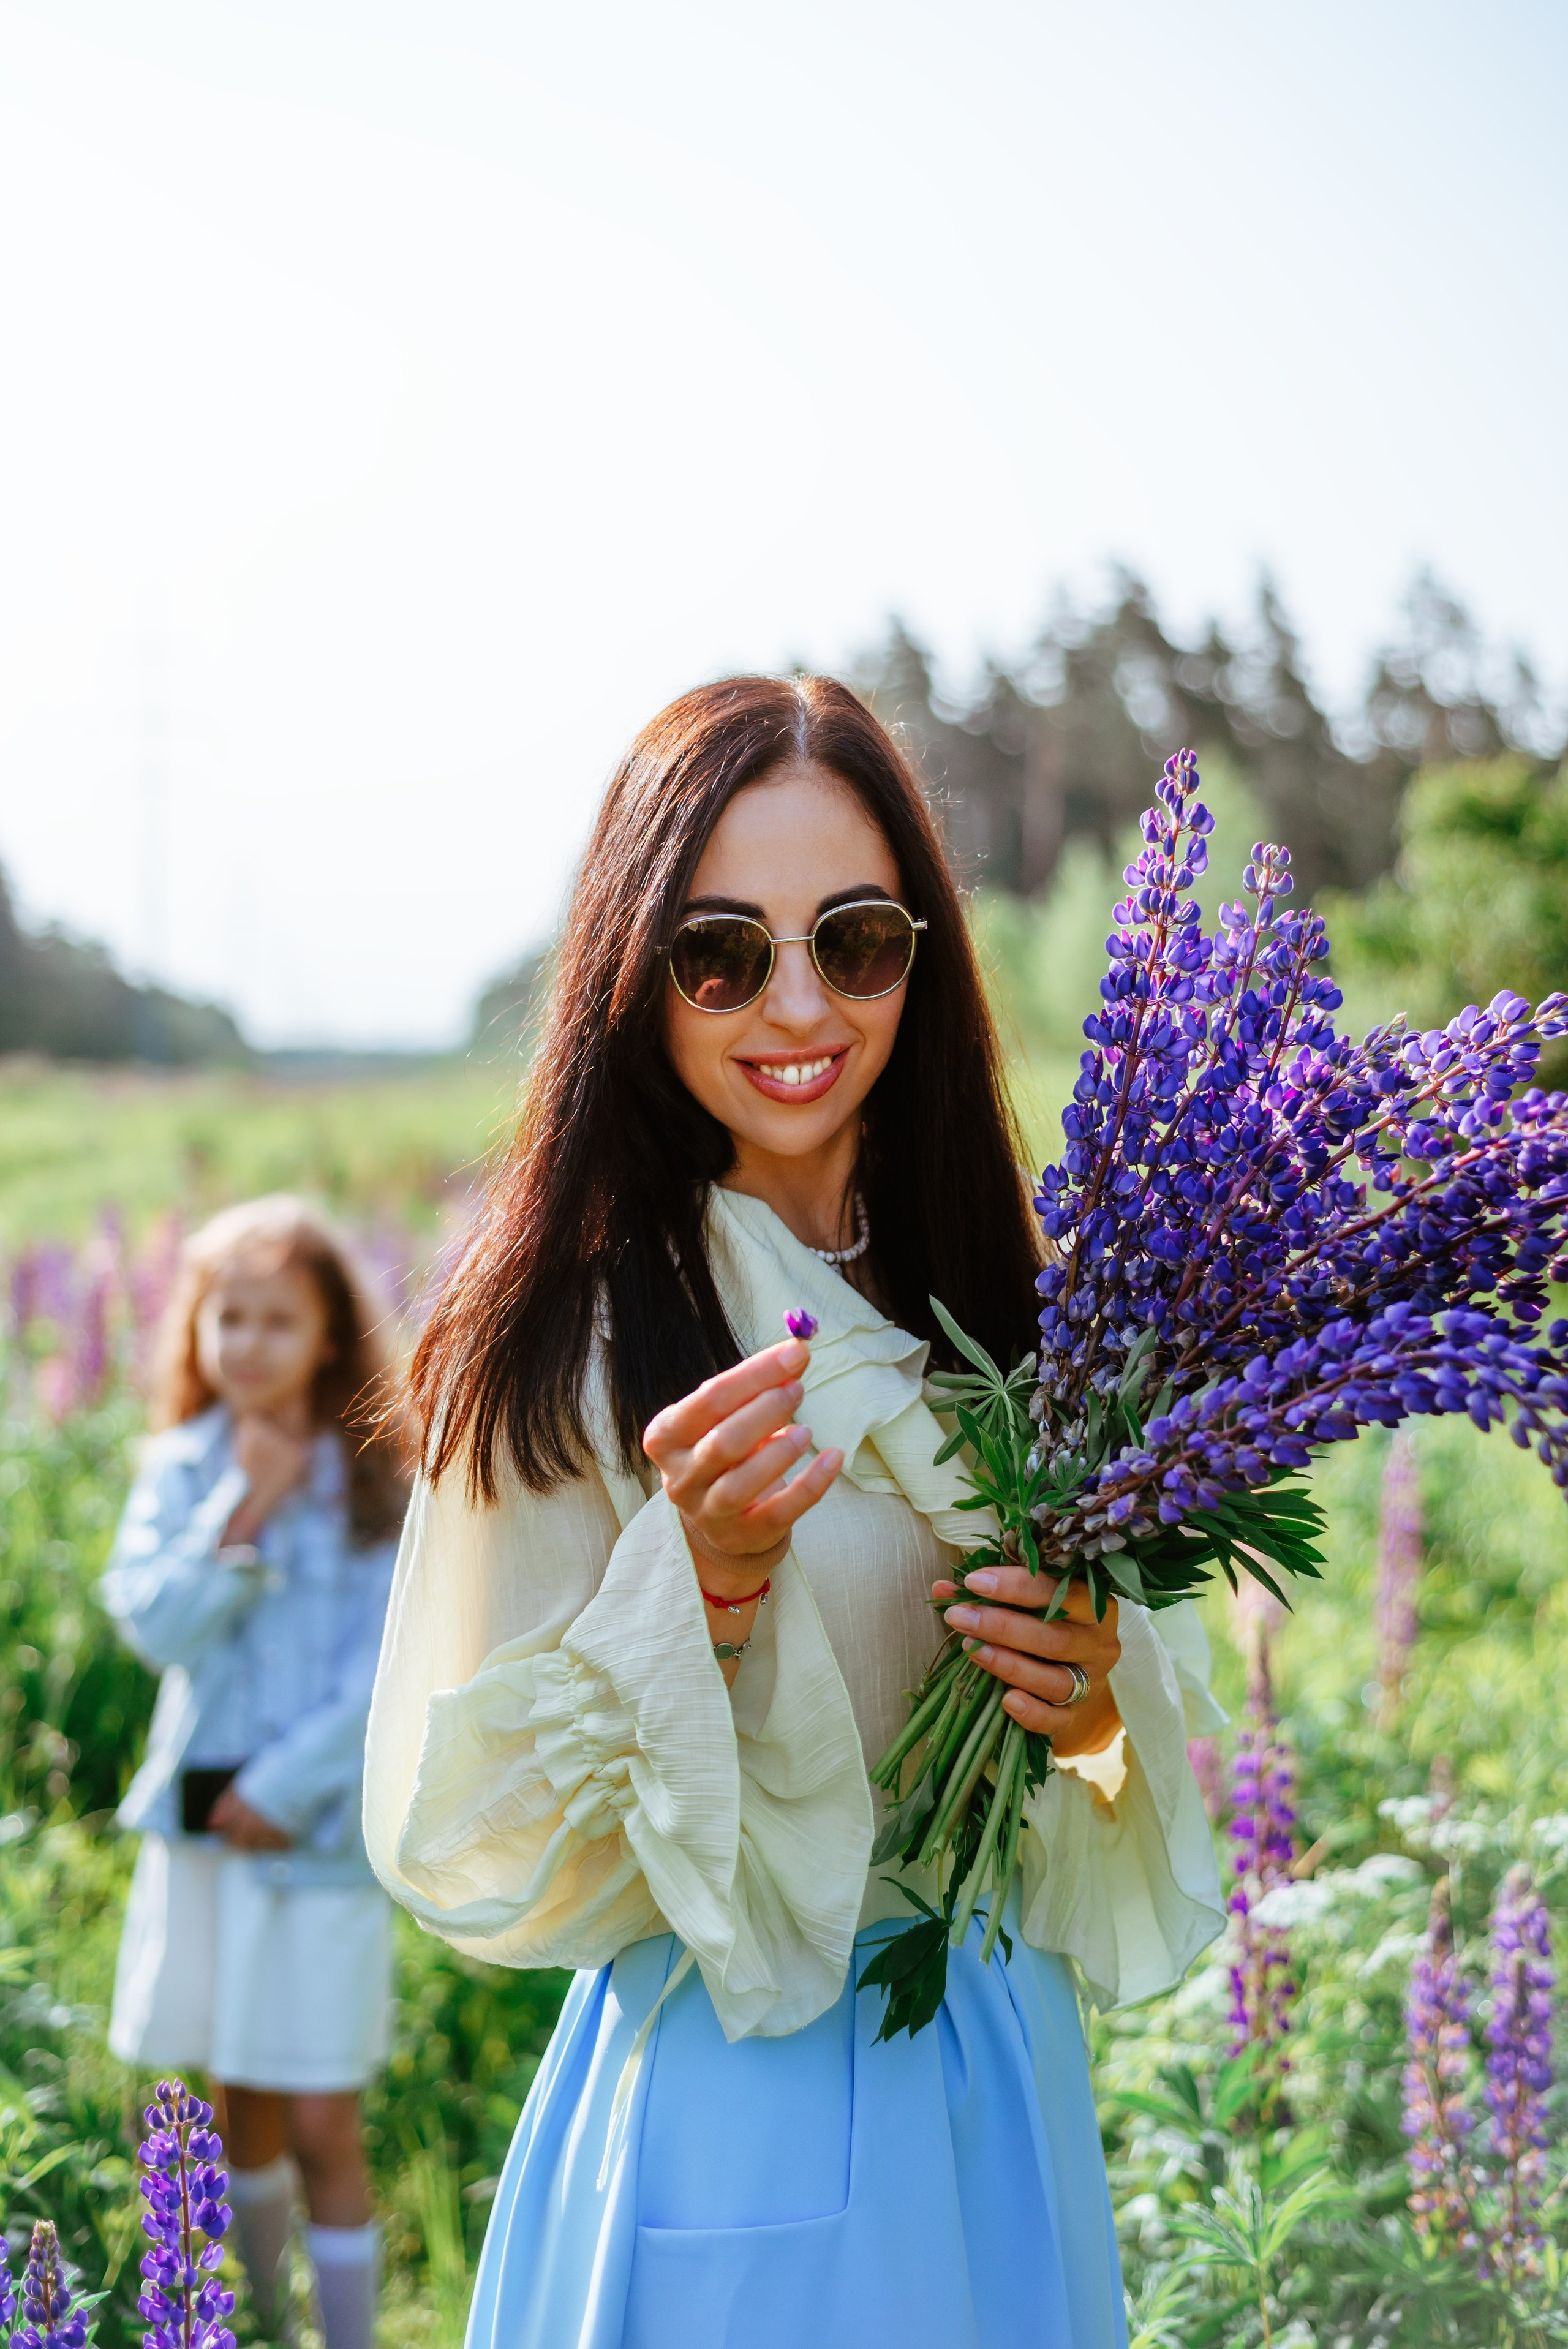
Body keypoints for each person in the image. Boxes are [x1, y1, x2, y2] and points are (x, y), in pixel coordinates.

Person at [365, 676, 1227, 2349]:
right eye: (720, 950)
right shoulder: (575, 1333)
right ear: (638, 965)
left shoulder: (1023, 1306)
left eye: (854, 937)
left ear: (923, 952)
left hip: (993, 2074)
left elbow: (1114, 1795)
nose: (795, 1000)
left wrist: (1095, 1709)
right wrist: (692, 1592)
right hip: (731, 2097)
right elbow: (469, 1836)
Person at [104, 1196, 408, 2349]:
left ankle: (351, 2336)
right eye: (227, 1317)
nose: (248, 1344)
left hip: (314, 1849)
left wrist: (278, 1785)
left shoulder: (376, 1477)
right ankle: (263, 2320)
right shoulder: (179, 1470)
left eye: (279, 1320)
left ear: (330, 1335)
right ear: (196, 1329)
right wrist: (243, 1509)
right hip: (202, 1848)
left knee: (323, 2111)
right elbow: (155, 1629)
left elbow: (384, 1668)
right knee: (237, 2105)